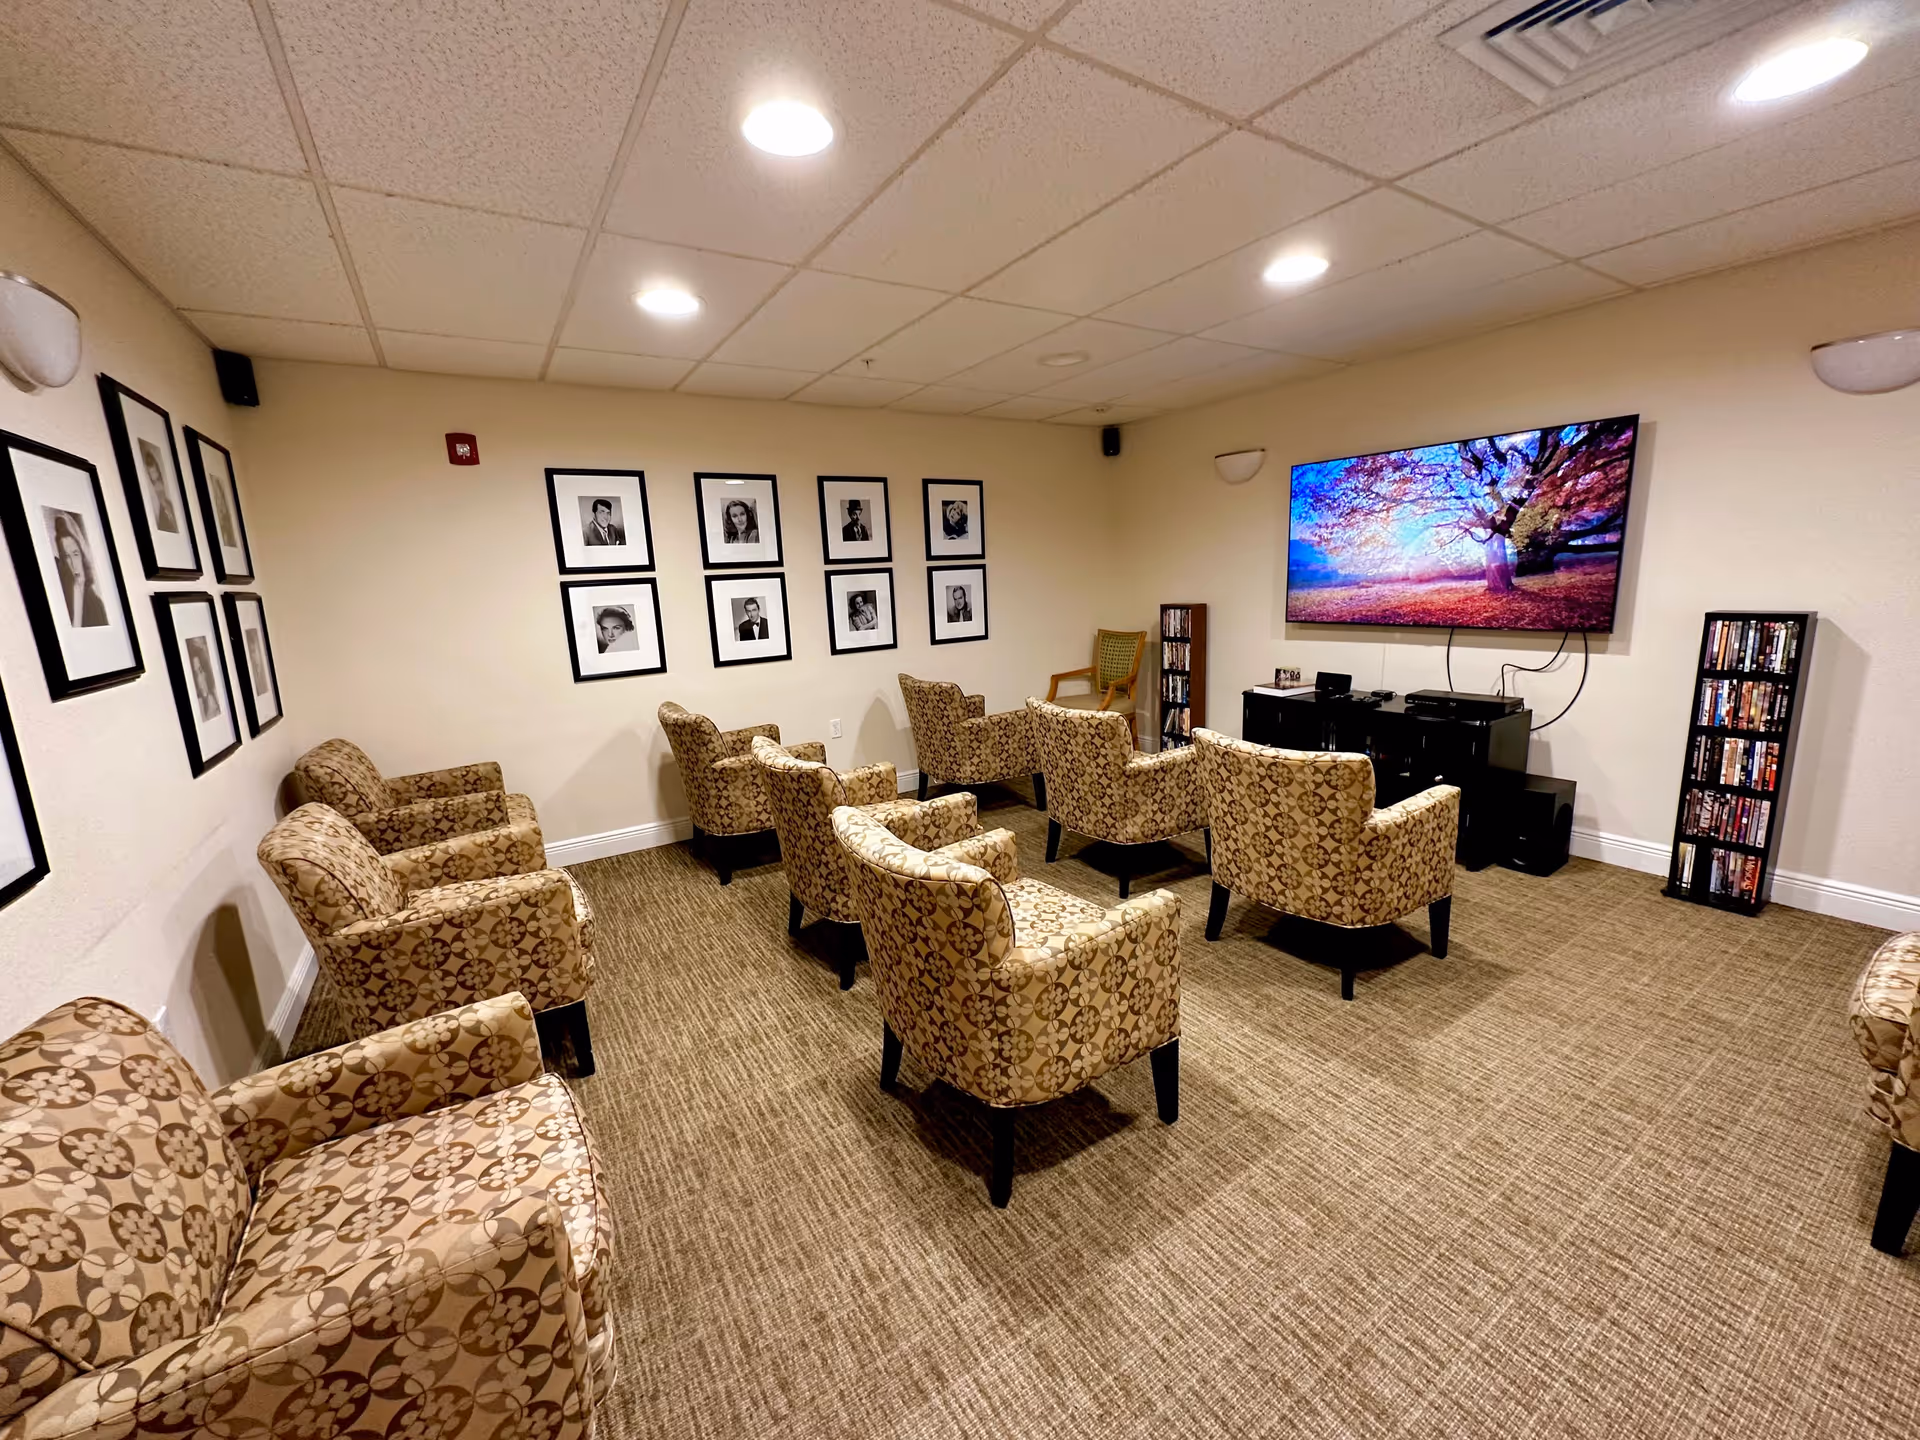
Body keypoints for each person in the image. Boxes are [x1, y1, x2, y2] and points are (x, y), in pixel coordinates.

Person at [49, 512, 107, 628]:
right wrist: (77, 594)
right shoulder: (62, 599)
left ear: (81, 555)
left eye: (75, 554)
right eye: (66, 556)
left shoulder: (97, 603)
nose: (73, 563)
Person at [139, 441, 178, 533]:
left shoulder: (170, 501)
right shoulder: (157, 512)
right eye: (151, 473)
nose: (158, 487)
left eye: (155, 471)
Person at [186, 639, 220, 721]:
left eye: (201, 670)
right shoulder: (197, 707)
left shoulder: (217, 693)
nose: (199, 679)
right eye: (196, 674)